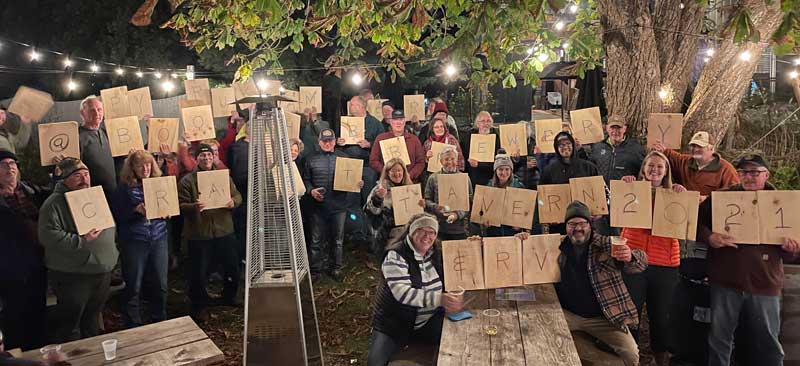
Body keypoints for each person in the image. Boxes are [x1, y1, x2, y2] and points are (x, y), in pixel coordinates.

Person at [696, 154, 800, 366]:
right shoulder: (720, 198)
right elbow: (694, 222)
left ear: (766, 174)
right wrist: (710, 237)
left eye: (754, 172)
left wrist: (791, 249)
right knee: (719, 339)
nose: (749, 177)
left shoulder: (783, 203)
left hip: (764, 282)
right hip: (725, 282)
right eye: (743, 172)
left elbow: (792, 253)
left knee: (768, 341)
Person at [555, 201, 646, 366]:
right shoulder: (557, 246)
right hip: (568, 314)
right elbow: (531, 249)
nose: (578, 228)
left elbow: (640, 264)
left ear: (590, 225)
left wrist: (630, 256)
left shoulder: (606, 244)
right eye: (572, 224)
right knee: (545, 341)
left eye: (582, 223)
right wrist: (522, 238)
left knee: (631, 355)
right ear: (566, 226)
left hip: (602, 317)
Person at [367, 213, 464, 366]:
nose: (427, 236)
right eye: (422, 230)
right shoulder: (395, 255)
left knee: (461, 342)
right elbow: (402, 293)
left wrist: (476, 246)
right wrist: (440, 299)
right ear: (412, 232)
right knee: (376, 363)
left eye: (432, 232)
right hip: (394, 324)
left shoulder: (436, 252)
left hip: (427, 321)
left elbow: (463, 261)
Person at [39, 158, 119, 341]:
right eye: (77, 176)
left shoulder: (95, 196)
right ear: (64, 179)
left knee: (92, 320)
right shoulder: (53, 204)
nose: (84, 179)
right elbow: (47, 235)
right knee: (70, 323)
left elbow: (109, 225)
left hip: (101, 271)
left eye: (86, 174)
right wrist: (80, 241)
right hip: (73, 275)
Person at [618, 151, 686, 366]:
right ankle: (632, 358)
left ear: (666, 171)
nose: (655, 170)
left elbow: (685, 225)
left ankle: (661, 359)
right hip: (634, 259)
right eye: (651, 166)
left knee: (662, 317)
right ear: (643, 169)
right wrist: (624, 187)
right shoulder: (631, 190)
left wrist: (683, 197)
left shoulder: (675, 195)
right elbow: (615, 214)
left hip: (665, 263)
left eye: (660, 167)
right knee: (631, 314)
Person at [177, 144, 242, 321]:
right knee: (199, 271)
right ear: (196, 158)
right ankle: (199, 305)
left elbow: (237, 196)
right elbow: (179, 206)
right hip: (200, 233)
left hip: (224, 229)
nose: (206, 158)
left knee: (231, 266)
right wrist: (193, 207)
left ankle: (229, 296)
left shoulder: (223, 177)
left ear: (214, 157)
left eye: (209, 155)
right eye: (202, 156)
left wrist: (232, 202)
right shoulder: (187, 181)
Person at [110, 151, 169, 328]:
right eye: (140, 166)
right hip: (135, 240)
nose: (145, 169)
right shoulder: (123, 189)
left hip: (159, 237)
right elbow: (117, 216)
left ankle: (159, 319)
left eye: (148, 165)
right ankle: (133, 324)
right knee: (133, 284)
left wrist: (167, 212)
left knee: (160, 283)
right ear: (132, 168)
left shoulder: (159, 183)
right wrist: (135, 211)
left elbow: (168, 206)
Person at [0, 150, 49, 350]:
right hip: (10, 265)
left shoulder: (29, 189)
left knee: (38, 305)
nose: (10, 167)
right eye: (3, 164)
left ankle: (38, 350)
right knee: (15, 311)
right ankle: (18, 354)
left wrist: (58, 173)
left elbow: (54, 193)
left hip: (36, 258)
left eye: (13, 163)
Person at [303, 128, 363, 280]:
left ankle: (335, 268)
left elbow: (353, 178)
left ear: (335, 141)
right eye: (325, 141)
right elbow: (306, 179)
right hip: (318, 206)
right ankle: (316, 270)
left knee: (337, 240)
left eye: (330, 141)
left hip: (339, 206)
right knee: (316, 240)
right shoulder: (311, 159)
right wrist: (311, 191)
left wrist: (358, 183)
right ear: (319, 142)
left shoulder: (344, 158)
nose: (328, 143)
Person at [588, 116, 645, 236]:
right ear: (606, 128)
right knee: (600, 238)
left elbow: (644, 173)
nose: (615, 131)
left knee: (622, 238)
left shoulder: (635, 148)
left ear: (625, 128)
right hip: (601, 203)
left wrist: (634, 180)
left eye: (619, 128)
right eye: (612, 127)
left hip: (624, 204)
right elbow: (589, 170)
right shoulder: (598, 147)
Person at [540, 131, 600, 234]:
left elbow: (600, 191)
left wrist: (599, 211)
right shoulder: (549, 170)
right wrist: (547, 216)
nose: (565, 147)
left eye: (568, 143)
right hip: (559, 224)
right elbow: (542, 198)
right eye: (561, 145)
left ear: (573, 145)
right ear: (556, 148)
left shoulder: (588, 167)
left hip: (584, 222)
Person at [364, 158, 422, 253]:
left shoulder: (411, 189)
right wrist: (378, 198)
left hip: (408, 231)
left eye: (399, 170)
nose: (396, 173)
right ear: (387, 173)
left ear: (403, 172)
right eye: (393, 171)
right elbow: (370, 211)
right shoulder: (379, 189)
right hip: (387, 232)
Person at [74, 96, 119, 199]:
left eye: (99, 109)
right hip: (93, 196)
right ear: (82, 113)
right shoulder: (77, 137)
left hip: (113, 193)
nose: (97, 113)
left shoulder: (106, 133)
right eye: (92, 110)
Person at [423, 146, 472, 240]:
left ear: (457, 160)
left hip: (460, 228)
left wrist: (457, 215)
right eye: (446, 159)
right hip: (439, 228)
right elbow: (427, 200)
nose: (449, 162)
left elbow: (469, 201)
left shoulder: (464, 178)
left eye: (452, 159)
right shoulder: (433, 178)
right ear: (441, 161)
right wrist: (437, 208)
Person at [369, 109, 427, 182]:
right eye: (395, 119)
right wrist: (387, 172)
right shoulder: (381, 138)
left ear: (404, 121)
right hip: (387, 181)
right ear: (391, 122)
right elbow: (373, 161)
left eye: (401, 119)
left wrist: (409, 175)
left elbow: (421, 162)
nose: (398, 122)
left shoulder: (414, 139)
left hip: (410, 181)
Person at [483, 153, 526, 237]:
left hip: (513, 233)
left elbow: (525, 211)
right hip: (494, 232)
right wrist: (484, 220)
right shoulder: (488, 187)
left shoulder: (519, 187)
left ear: (511, 170)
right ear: (496, 171)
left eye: (507, 169)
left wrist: (521, 224)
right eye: (500, 169)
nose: (504, 172)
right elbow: (482, 211)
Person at [460, 111, 501, 189]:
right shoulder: (468, 137)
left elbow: (499, 160)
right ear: (477, 124)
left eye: (488, 121)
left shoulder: (497, 138)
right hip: (473, 177)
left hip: (491, 177)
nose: (486, 123)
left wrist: (480, 164)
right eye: (483, 121)